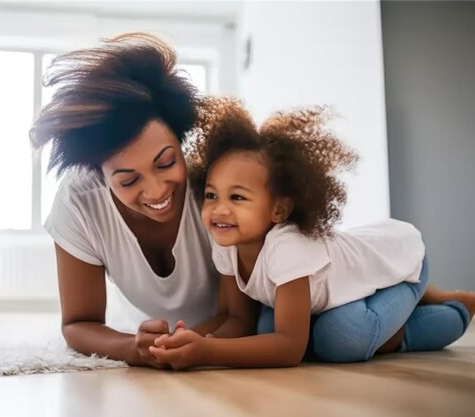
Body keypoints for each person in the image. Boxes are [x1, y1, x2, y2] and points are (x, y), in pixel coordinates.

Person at [150, 99, 475, 370]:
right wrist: (188, 341)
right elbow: (235, 319)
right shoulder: (227, 241)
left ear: (278, 210)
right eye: (211, 196)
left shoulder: (287, 246)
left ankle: (453, 309)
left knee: (341, 338)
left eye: (237, 197)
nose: (219, 209)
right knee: (265, 328)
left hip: (401, 258)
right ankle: (415, 298)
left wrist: (206, 353)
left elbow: (290, 347)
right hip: (345, 279)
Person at [29, 33, 227, 368]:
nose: (156, 191)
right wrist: (132, 348)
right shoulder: (80, 202)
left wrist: (201, 347)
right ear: (98, 173)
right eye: (128, 180)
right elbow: (78, 324)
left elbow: (243, 313)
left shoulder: (215, 180)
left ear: (182, 143)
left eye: (166, 163)